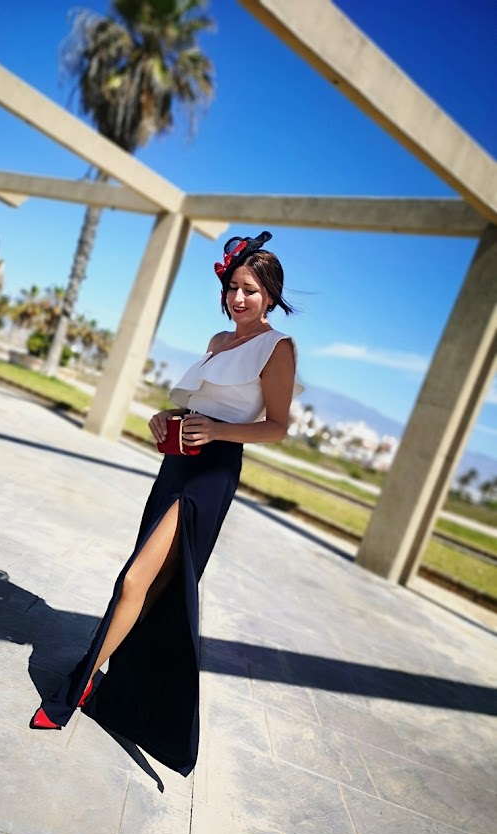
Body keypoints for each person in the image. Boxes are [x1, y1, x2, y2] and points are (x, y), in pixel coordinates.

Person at [30, 230, 301, 776]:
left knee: (135, 580)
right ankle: (122, 690)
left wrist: (218, 432)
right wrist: (167, 417)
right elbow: (199, 404)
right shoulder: (218, 341)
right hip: (177, 462)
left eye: (250, 289)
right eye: (233, 287)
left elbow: (276, 427)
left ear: (270, 294)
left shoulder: (278, 348)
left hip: (211, 474)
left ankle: (75, 689)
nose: (239, 298)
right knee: (151, 585)